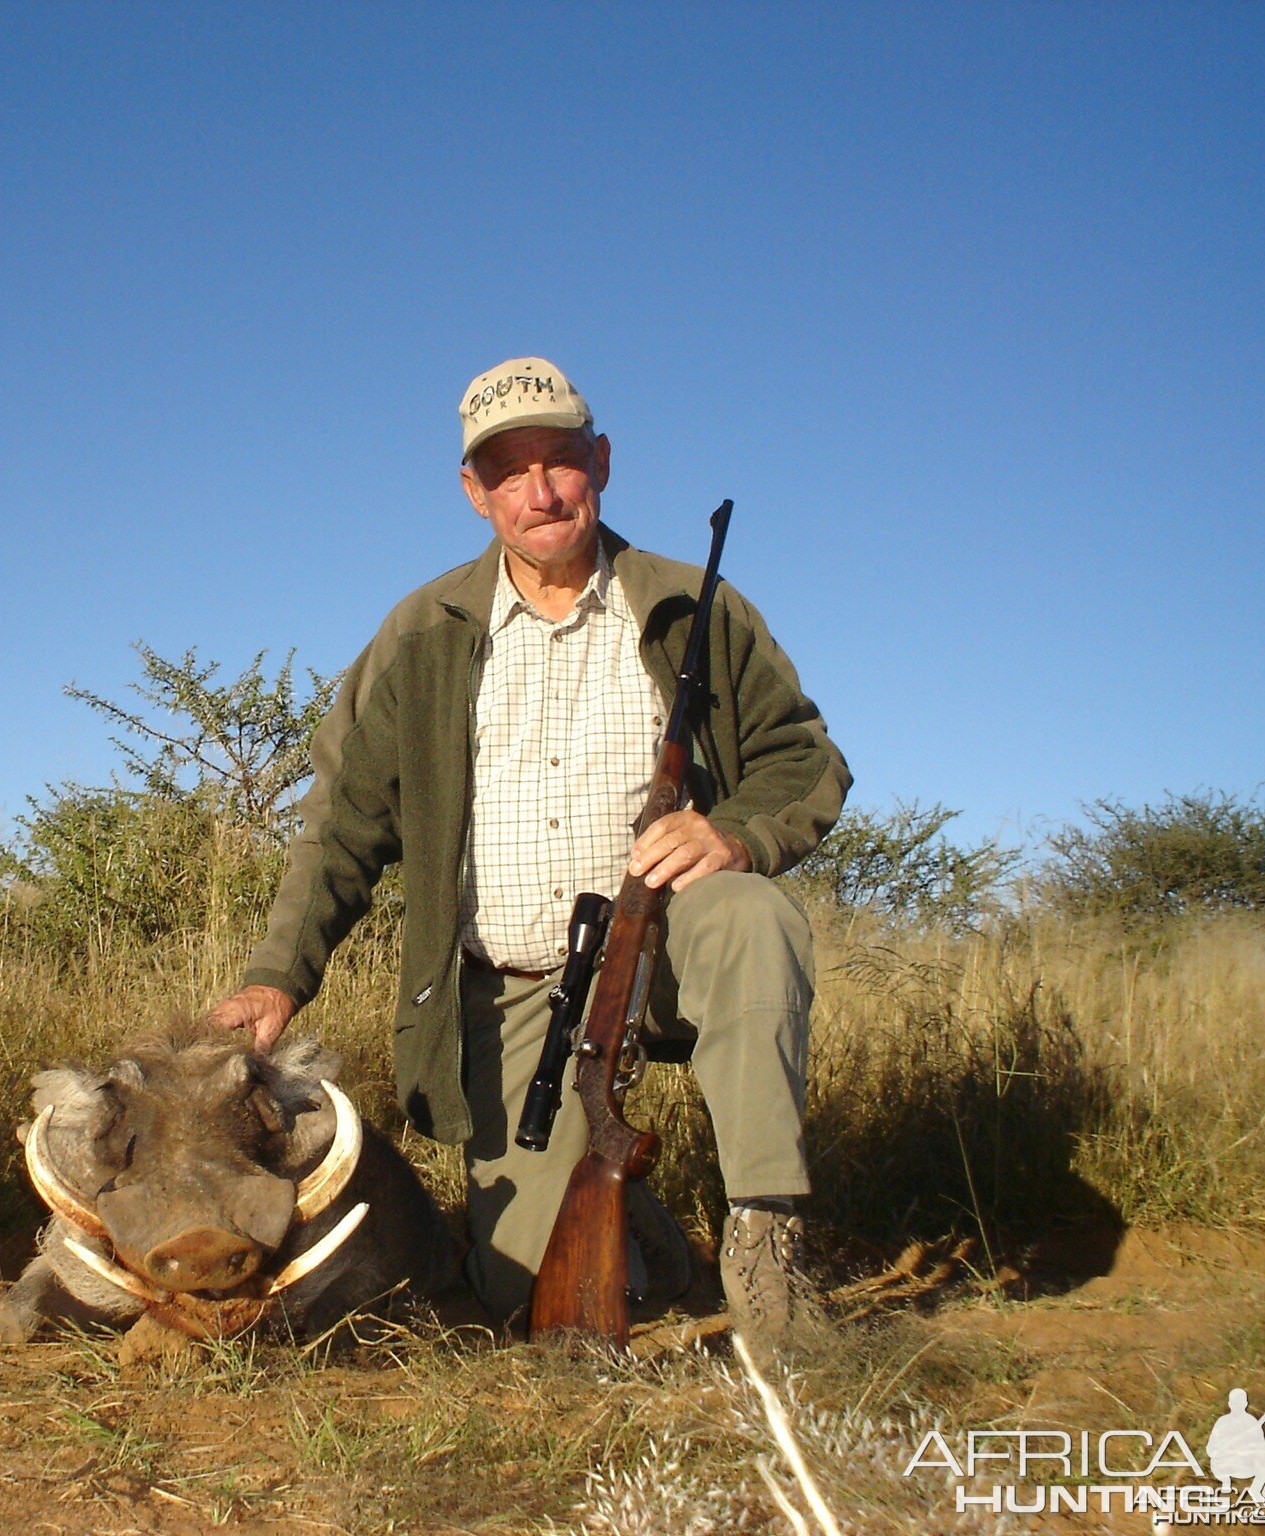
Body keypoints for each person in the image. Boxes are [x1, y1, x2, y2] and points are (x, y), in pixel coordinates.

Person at [208, 357, 850, 1341]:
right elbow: (340, 826)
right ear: (473, 494)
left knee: (750, 912)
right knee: (527, 1301)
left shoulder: (689, 606)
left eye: (559, 461)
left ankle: (763, 1233)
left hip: (665, 952)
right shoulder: (419, 632)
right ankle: (630, 1219)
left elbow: (799, 760)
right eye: (508, 473)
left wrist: (734, 834)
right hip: (507, 989)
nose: (539, 492)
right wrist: (273, 978)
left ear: (600, 462)